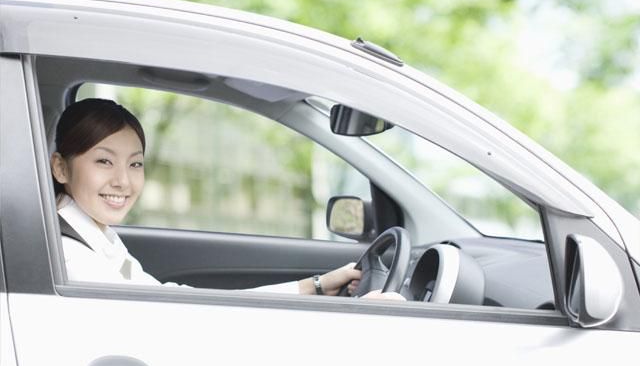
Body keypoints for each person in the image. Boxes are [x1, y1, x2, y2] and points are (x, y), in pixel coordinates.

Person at [50, 98, 401, 299]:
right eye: (104, 161)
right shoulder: (71, 258)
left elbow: (175, 301)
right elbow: (181, 323)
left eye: (135, 163)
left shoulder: (97, 237)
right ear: (61, 168)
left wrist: (315, 286)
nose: (123, 181)